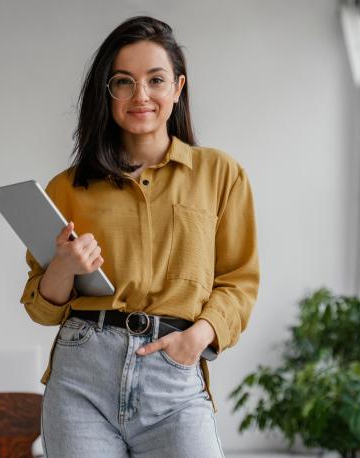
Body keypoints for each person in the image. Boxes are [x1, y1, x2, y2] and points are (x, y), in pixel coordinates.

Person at [20, 16, 259, 457]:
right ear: (106, 92)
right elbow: (43, 307)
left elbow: (238, 280)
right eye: (124, 82)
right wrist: (64, 267)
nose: (140, 96)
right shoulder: (66, 188)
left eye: (155, 80)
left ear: (178, 87)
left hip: (174, 374)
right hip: (81, 379)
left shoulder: (221, 174)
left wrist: (199, 336)